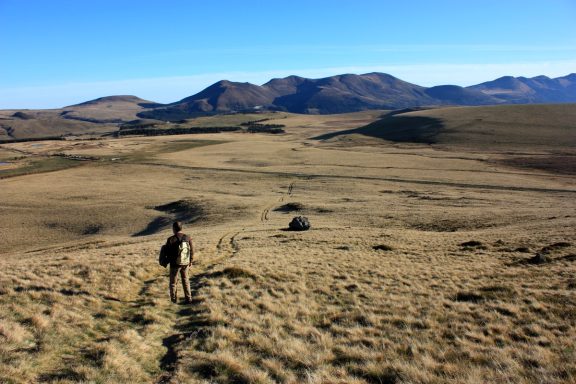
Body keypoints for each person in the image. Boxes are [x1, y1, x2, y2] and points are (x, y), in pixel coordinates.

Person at [164, 221, 194, 304]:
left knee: (173, 283)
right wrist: (190, 261)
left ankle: (174, 301)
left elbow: (167, 253)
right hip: (185, 263)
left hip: (174, 265)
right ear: (181, 228)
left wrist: (166, 261)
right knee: (186, 281)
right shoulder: (187, 237)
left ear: (174, 229)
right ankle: (189, 299)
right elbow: (191, 250)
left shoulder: (170, 239)